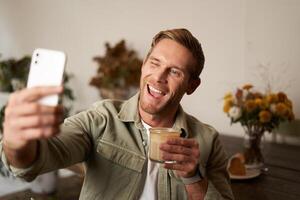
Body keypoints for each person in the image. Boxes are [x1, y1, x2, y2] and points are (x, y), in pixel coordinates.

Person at [0, 28, 234, 200]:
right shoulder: (101, 118)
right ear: (143, 65)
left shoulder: (207, 140)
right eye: (154, 63)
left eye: (174, 72)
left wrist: (194, 177)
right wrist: (17, 144)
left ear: (192, 85)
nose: (159, 77)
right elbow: (37, 159)